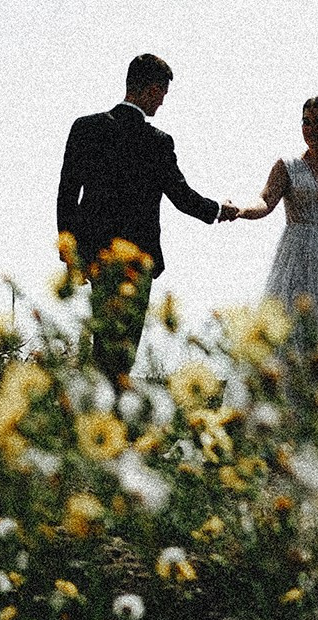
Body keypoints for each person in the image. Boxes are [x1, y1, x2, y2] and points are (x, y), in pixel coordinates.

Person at [57, 53, 239, 382]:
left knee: (101, 339)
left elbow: (67, 194)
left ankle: (97, 407)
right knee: (123, 351)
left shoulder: (85, 128)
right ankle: (107, 412)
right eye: (163, 95)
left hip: (95, 255)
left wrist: (70, 253)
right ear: (153, 90)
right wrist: (218, 210)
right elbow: (182, 197)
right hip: (137, 260)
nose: (162, 104)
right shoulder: (156, 142)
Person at [237, 94, 318, 330]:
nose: (311, 129)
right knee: (292, 327)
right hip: (296, 257)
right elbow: (265, 201)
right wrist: (240, 210)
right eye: (306, 122)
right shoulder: (287, 166)